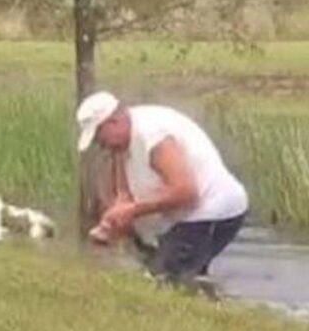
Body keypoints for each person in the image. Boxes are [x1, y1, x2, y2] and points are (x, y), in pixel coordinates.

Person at [77, 91, 248, 284]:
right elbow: (124, 191)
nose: (100, 144)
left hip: (211, 210)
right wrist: (116, 216)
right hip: (180, 218)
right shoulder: (122, 140)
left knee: (164, 280)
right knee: (170, 273)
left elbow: (186, 193)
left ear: (113, 122)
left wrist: (132, 210)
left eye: (99, 137)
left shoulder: (153, 136)